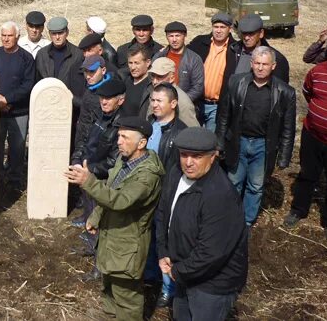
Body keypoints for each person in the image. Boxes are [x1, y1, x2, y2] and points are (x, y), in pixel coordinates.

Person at [65, 116, 164, 321]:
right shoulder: (123, 159)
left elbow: (121, 200)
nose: (118, 141)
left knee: (126, 294)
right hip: (112, 238)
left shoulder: (147, 175)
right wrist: (96, 216)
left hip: (128, 245)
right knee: (108, 284)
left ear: (142, 143)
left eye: (125, 137)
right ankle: (110, 315)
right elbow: (110, 188)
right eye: (119, 136)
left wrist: (89, 182)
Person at [155, 127, 248, 321]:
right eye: (184, 155)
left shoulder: (220, 196)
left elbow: (211, 253)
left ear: (213, 156)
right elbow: (163, 213)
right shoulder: (175, 174)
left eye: (196, 156)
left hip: (212, 283)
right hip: (184, 271)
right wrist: (163, 251)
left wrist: (178, 271)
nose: (188, 163)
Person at [216, 46, 296, 226]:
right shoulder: (236, 82)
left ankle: (246, 221)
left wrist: (284, 157)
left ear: (273, 66)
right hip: (238, 141)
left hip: (263, 146)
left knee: (256, 186)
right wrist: (219, 143)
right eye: (257, 63)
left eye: (265, 64)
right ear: (251, 63)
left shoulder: (285, 92)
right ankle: (230, 217)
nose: (260, 68)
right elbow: (224, 116)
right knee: (233, 181)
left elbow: (288, 129)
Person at [283, 43, 327, 239]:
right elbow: (308, 93)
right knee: (307, 174)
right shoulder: (317, 72)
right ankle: (298, 210)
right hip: (312, 134)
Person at [70, 78, 125, 250]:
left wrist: (90, 170)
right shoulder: (101, 116)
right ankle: (90, 244)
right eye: (102, 98)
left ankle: (98, 261)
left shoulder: (121, 125)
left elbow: (113, 161)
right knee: (89, 210)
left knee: (99, 217)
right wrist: (77, 161)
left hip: (101, 179)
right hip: (88, 172)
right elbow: (86, 141)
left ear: (120, 100)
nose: (104, 101)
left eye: (109, 98)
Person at [146, 83, 187, 307]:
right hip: (147, 194)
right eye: (153, 100)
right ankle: (149, 275)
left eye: (159, 101)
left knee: (165, 242)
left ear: (173, 103)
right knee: (150, 237)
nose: (154, 104)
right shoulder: (150, 125)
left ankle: (168, 289)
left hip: (165, 195)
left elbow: (177, 171)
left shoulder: (180, 133)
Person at [0, 21, 35, 191]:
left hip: (19, 111)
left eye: (9, 36)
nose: (6, 39)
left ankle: (15, 179)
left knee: (17, 146)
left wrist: (7, 99)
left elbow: (28, 84)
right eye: (3, 35)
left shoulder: (26, 58)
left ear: (17, 37)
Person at [188, 13, 236, 132]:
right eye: (216, 27)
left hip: (217, 106)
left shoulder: (235, 49)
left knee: (210, 142)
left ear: (229, 29)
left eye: (222, 27)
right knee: (192, 138)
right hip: (196, 102)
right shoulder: (199, 42)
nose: (218, 31)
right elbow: (183, 53)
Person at [229, 15, 290, 86]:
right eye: (244, 33)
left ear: (261, 33)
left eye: (251, 34)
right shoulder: (233, 50)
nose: (246, 38)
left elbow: (280, 89)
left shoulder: (276, 59)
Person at [153, 21, 205, 105]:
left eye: (177, 36)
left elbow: (197, 87)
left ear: (184, 36)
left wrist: (180, 101)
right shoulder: (159, 56)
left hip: (183, 105)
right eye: (171, 36)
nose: (174, 40)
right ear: (166, 37)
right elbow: (151, 80)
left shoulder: (194, 59)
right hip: (161, 103)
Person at [145, 58, 200, 127]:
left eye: (160, 76)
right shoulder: (154, 91)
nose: (155, 81)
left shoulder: (182, 101)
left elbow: (192, 131)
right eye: (153, 76)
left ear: (172, 78)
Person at [35, 16, 84, 92]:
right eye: (54, 34)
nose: (57, 37)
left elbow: (81, 82)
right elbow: (37, 81)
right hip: (47, 98)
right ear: (49, 34)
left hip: (70, 100)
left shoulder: (78, 54)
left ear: (67, 32)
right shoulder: (42, 55)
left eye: (60, 33)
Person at [122, 44, 152, 117]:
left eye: (136, 63)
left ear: (148, 63)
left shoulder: (151, 86)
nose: (133, 67)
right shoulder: (126, 79)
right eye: (130, 63)